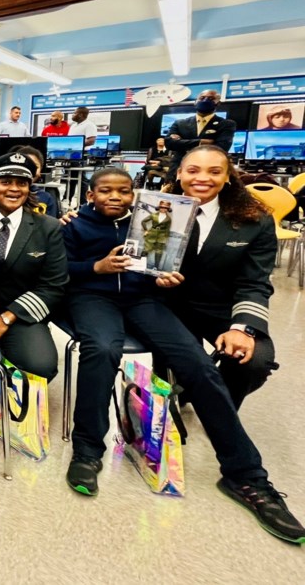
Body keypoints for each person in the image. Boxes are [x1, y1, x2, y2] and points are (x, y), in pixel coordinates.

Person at [61, 166, 304, 544]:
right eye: (104, 191)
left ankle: (246, 475)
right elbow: (60, 269)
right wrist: (97, 267)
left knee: (198, 364)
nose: (114, 198)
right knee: (102, 349)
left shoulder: (153, 219)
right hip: (93, 297)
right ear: (90, 195)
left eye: (123, 192)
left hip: (144, 299)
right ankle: (88, 451)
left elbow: (163, 260)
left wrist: (162, 277)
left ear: (134, 193)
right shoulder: (74, 225)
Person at [167, 145, 278, 409]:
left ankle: (222, 407)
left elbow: (255, 282)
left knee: (252, 361)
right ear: (179, 174)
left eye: (214, 171)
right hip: (169, 306)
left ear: (227, 177)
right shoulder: (159, 210)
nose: (202, 178)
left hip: (222, 306)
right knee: (185, 372)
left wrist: (242, 328)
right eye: (193, 170)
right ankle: (190, 388)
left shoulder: (254, 221)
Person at [0, 153, 67, 379]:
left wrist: (6, 318)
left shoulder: (48, 228)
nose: (14, 189)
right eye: (6, 182)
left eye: (22, 183)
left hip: (19, 313)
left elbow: (53, 286)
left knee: (40, 366)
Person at [165, 89, 236, 174]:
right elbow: (169, 143)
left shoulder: (226, 124)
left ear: (218, 103)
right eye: (202, 98)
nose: (205, 100)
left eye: (211, 98)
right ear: (195, 102)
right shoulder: (180, 123)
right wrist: (200, 142)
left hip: (209, 170)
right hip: (178, 169)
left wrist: (181, 142)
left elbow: (221, 147)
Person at [9, 144, 60, 219]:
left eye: (35, 167)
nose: (29, 171)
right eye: (24, 165)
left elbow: (51, 226)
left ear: (40, 170)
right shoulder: (5, 193)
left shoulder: (45, 198)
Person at [141, 199, 173, 270]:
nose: (163, 209)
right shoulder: (153, 215)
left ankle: (156, 266)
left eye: (166, 208)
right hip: (152, 233)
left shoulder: (168, 219)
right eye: (162, 207)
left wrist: (166, 238)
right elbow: (143, 221)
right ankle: (140, 263)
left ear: (168, 209)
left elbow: (167, 229)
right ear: (159, 207)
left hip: (162, 236)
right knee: (146, 249)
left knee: (159, 251)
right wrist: (146, 230)